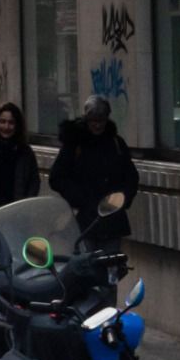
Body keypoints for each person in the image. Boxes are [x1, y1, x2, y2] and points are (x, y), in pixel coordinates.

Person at [50, 96, 139, 248]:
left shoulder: (116, 143)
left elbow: (131, 177)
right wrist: (79, 198)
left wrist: (121, 198)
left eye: (101, 121)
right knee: (89, 265)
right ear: (87, 120)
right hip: (87, 218)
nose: (97, 126)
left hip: (112, 217)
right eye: (93, 121)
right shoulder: (75, 144)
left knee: (111, 264)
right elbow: (57, 177)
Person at [0, 102, 40, 231]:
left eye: (11, 123)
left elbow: (34, 182)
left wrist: (24, 207)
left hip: (18, 217)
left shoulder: (25, 152)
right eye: (2, 122)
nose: (6, 127)